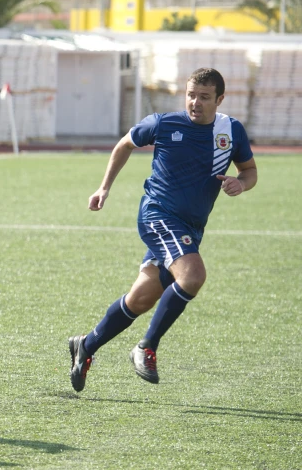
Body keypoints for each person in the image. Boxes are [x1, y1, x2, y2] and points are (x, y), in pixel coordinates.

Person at [68, 68, 257, 392]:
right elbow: (124, 145)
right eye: (191, 95)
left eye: (204, 97)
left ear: (220, 99)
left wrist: (241, 183)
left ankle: (86, 346)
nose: (195, 102)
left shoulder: (231, 131)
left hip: (191, 228)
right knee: (193, 276)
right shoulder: (164, 123)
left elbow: (250, 170)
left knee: (140, 300)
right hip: (158, 215)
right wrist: (104, 188)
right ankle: (146, 347)